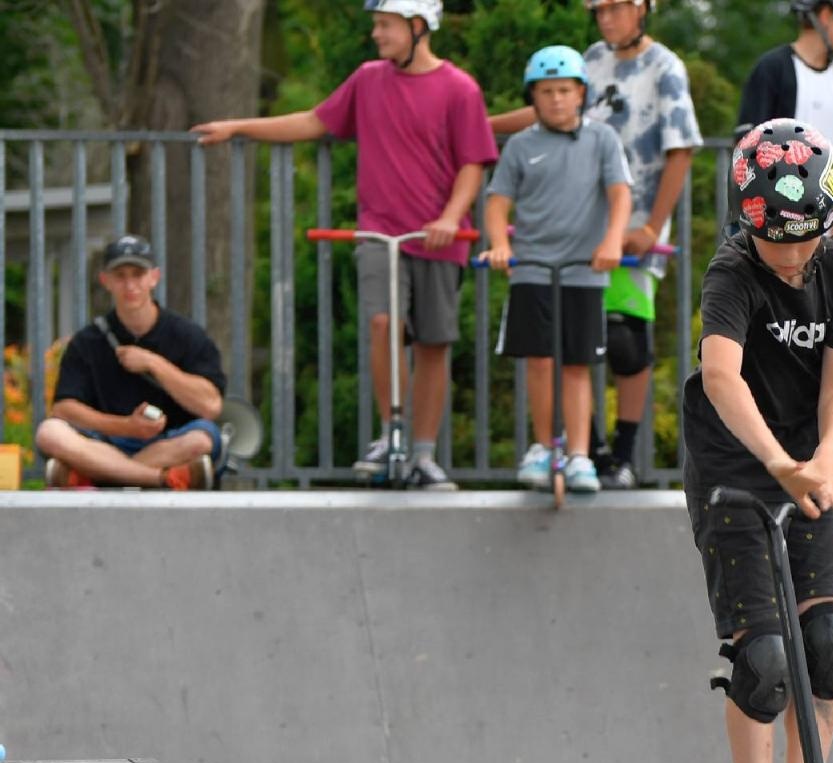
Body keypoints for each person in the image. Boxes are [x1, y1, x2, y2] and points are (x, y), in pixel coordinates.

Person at [194, 0, 498, 490]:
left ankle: (422, 453)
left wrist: (449, 217)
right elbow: (315, 122)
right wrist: (240, 127)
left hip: (438, 236)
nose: (376, 34)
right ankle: (391, 433)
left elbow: (473, 163)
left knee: (434, 344)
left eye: (385, 25)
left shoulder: (459, 89)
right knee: (383, 322)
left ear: (418, 28)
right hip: (379, 230)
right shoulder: (368, 80)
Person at [682, 118, 833, 763]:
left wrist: (825, 460)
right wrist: (777, 463)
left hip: (806, 466)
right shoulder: (731, 275)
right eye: (773, 244)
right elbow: (720, 376)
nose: (789, 260)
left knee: (830, 648)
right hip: (733, 476)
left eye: (802, 243)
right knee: (763, 659)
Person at [491, 0, 703, 490]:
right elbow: (553, 103)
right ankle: (588, 449)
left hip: (631, 229)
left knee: (627, 342)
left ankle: (623, 456)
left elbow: (682, 147)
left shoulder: (664, 66)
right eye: (599, 11)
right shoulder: (589, 58)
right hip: (578, 233)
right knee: (574, 342)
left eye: (616, 9)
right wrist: (482, 125)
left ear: (642, 9)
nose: (606, 20)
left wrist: (652, 226)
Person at [483, 46, 631, 494]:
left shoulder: (602, 139)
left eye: (565, 90)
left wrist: (612, 240)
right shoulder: (522, 145)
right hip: (532, 268)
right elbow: (497, 202)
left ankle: (581, 455)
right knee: (541, 362)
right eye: (546, 92)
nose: (556, 100)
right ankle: (546, 445)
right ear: (534, 97)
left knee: (577, 365)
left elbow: (620, 194)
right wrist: (500, 244)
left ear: (581, 93)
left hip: (582, 270)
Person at [37, 235, 223, 491]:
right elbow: (64, 409)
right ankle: (164, 478)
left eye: (138, 274)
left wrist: (154, 363)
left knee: (202, 439)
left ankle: (96, 476)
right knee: (50, 432)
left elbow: (211, 405)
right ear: (106, 281)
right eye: (120, 275)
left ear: (154, 277)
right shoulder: (87, 341)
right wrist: (126, 426)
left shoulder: (188, 335)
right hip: (106, 443)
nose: (130, 285)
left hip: (169, 441)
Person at [736, 0, 833, 223]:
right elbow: (746, 155)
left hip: (824, 225)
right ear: (827, 15)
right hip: (771, 225)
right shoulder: (772, 69)